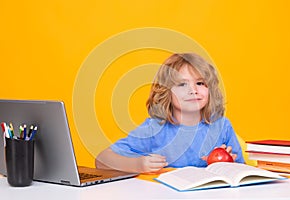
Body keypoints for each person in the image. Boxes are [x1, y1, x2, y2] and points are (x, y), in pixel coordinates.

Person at [95, 53, 245, 173]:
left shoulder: (221, 125)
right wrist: (137, 164)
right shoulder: (155, 128)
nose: (193, 90)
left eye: (200, 83)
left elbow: (242, 171)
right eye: (182, 84)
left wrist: (228, 165)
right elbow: (102, 160)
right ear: (166, 92)